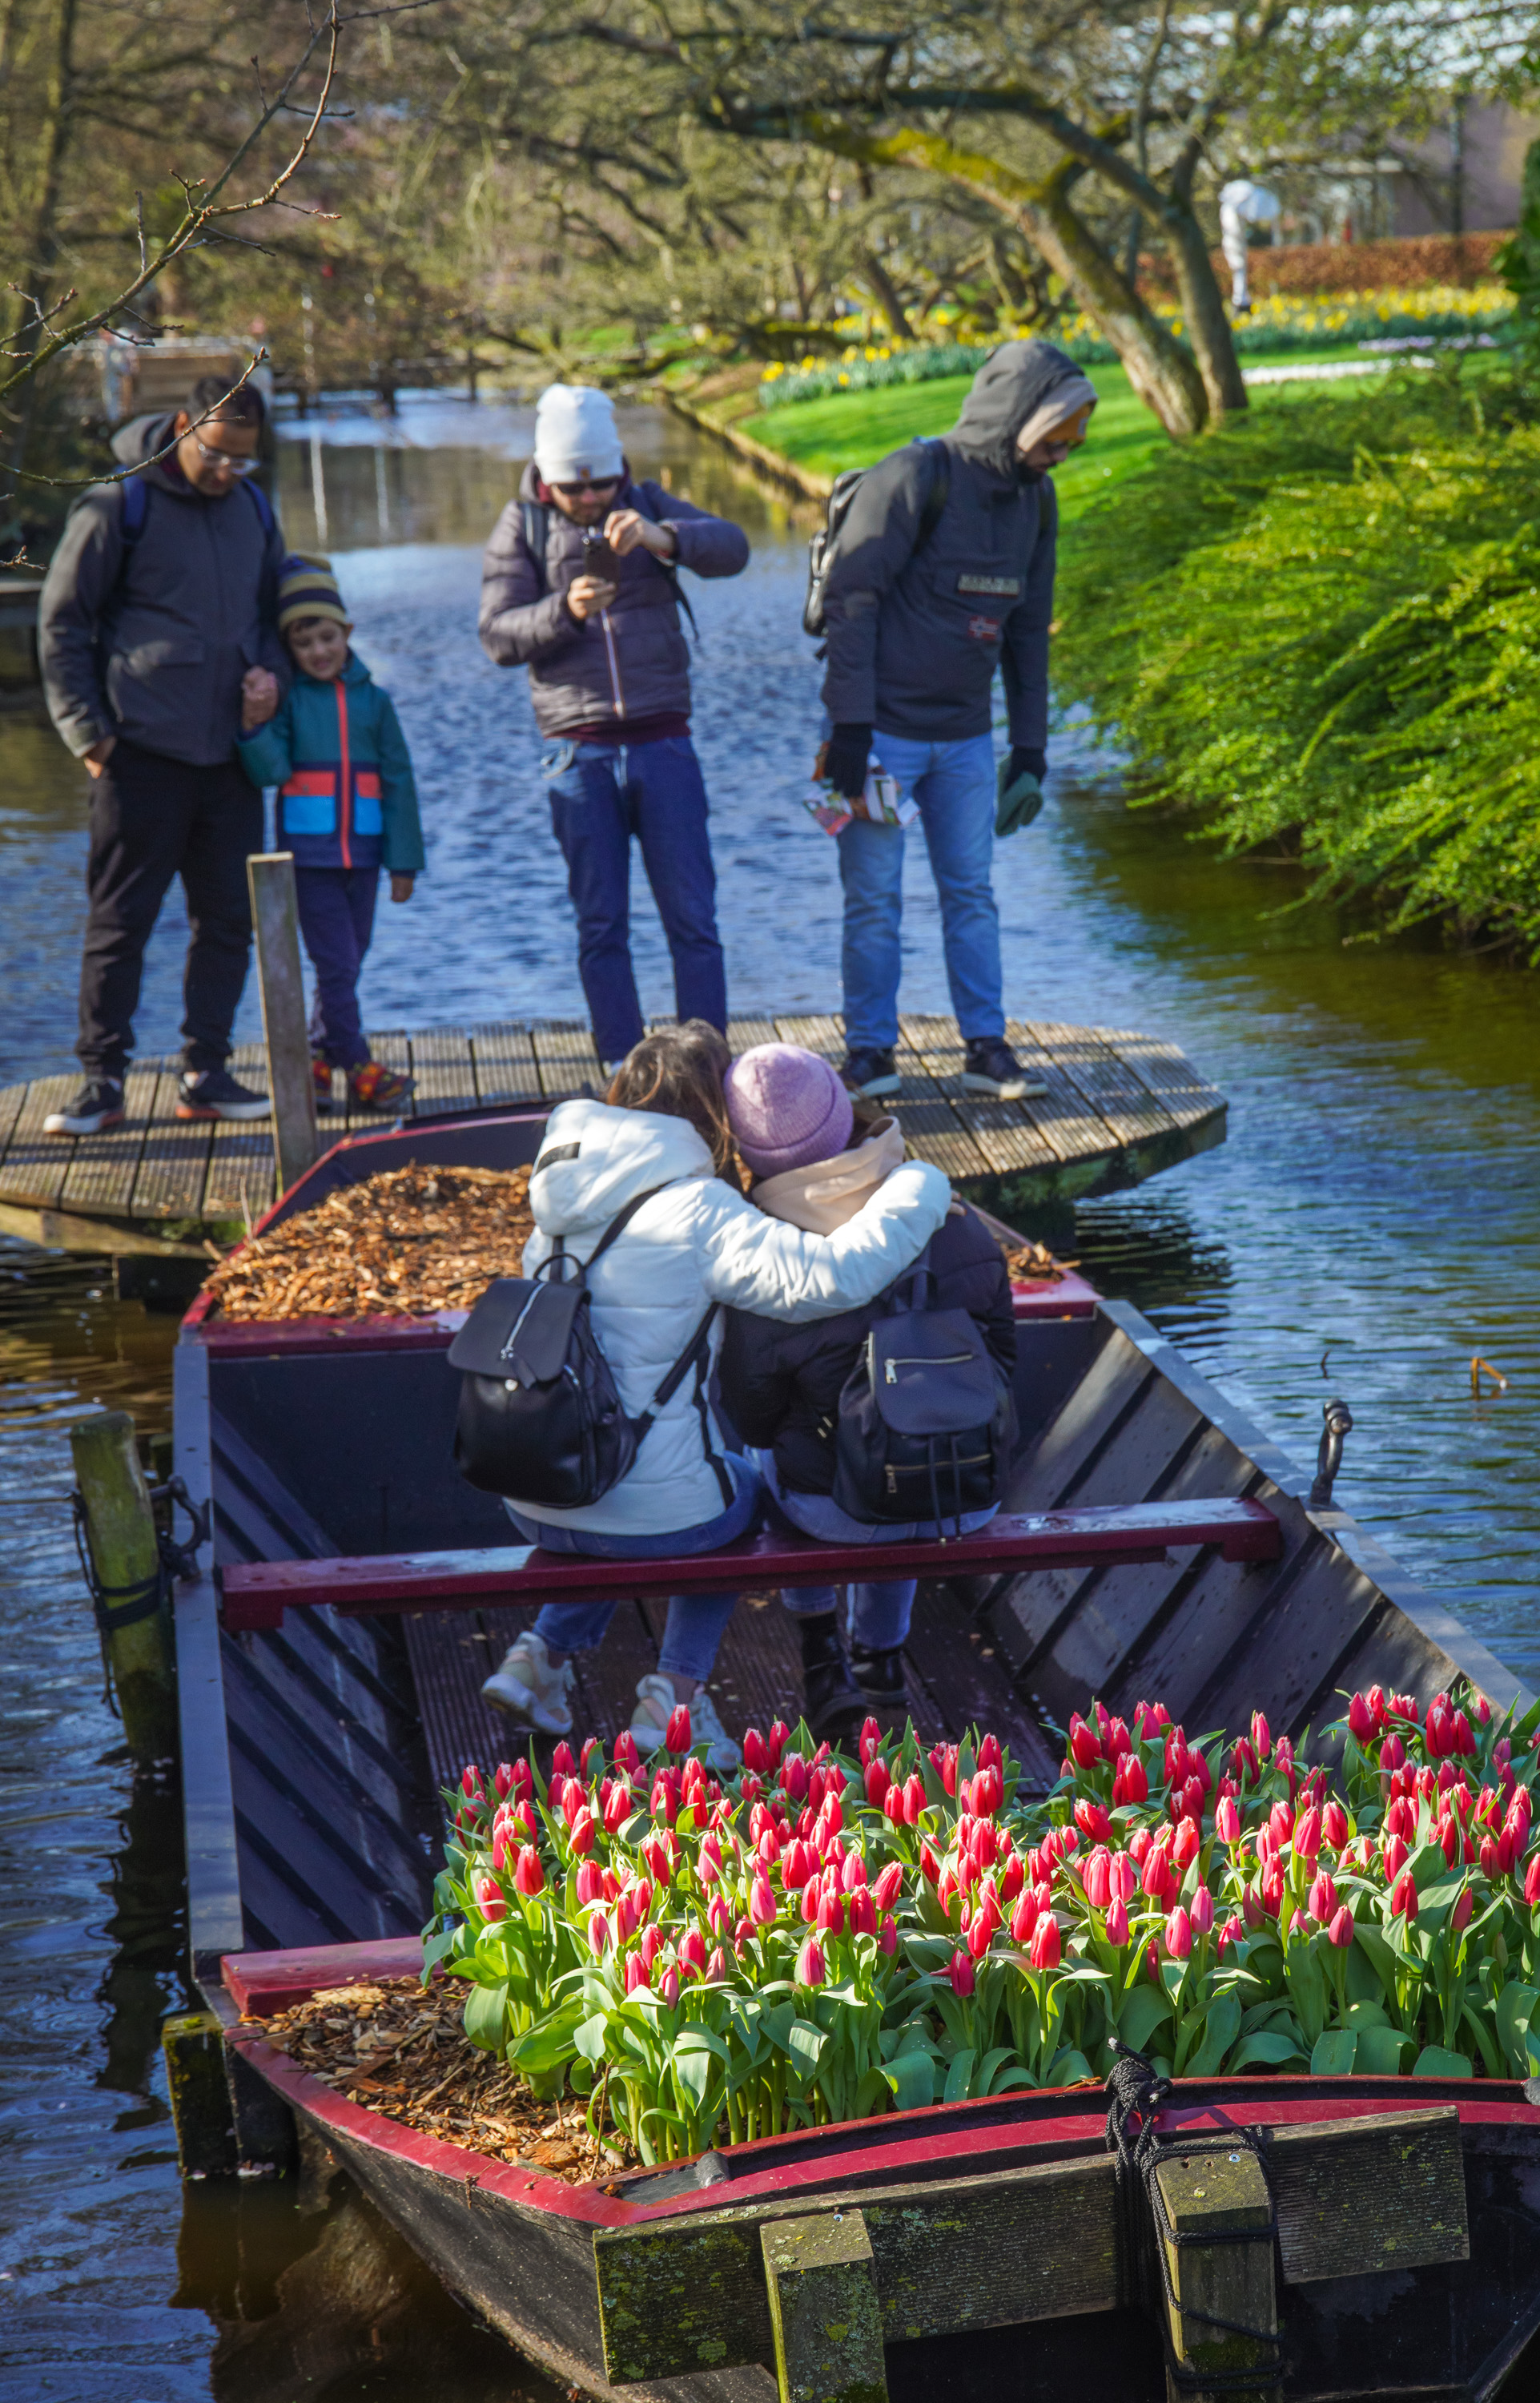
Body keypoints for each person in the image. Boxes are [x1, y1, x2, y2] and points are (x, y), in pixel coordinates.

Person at [479, 1023, 951, 1771]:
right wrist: (917, 1188)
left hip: (539, 1495)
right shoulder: (698, 1209)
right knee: (741, 1501)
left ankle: (539, 1655)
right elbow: (832, 1278)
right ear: (714, 1114)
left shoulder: (557, 1202)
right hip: (649, 1516)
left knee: (640, 1491)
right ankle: (674, 1696)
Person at [817, 338, 1097, 1105]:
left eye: (1073, 441)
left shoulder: (1037, 501)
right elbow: (850, 600)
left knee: (971, 893)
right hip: (881, 739)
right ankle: (870, 1054)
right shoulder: (915, 476)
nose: (1064, 455)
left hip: (968, 740)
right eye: (1055, 439)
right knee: (874, 900)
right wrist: (849, 728)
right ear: (1015, 419)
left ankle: (986, 1049)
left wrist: (1030, 747)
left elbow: (1028, 629)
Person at [716, 1045, 1015, 1733]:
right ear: (844, 1113)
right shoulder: (956, 1218)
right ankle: (880, 1657)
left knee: (775, 1456)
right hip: (965, 1495)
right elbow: (1003, 1363)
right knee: (916, 1427)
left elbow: (754, 1418)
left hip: (834, 1513)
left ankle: (821, 1648)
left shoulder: (767, 1256)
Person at [38, 373, 290, 1135]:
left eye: (243, 460)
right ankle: (102, 1081)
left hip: (230, 760)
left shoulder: (253, 508)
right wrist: (89, 735)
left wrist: (269, 677)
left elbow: (274, 614)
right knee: (121, 924)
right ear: (185, 426)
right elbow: (61, 623)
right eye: (216, 454)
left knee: (228, 923)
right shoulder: (118, 504)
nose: (227, 472)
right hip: (137, 754)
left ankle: (206, 1073)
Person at [478, 384, 750, 1075]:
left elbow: (735, 549)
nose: (591, 497)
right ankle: (622, 1070)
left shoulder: (648, 503)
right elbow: (497, 635)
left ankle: (706, 1067)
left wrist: (665, 539)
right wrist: (564, 611)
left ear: (619, 469)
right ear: (547, 478)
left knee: (694, 919)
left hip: (665, 743)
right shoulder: (522, 525)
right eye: (574, 487)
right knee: (602, 925)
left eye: (602, 482)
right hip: (579, 752)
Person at [236, 555, 423, 1113]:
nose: (319, 652)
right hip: (309, 860)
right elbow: (270, 772)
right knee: (337, 964)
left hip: (364, 858)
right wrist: (254, 727)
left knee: (350, 960)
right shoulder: (290, 701)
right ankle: (358, 1065)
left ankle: (317, 1060)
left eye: (327, 638)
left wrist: (403, 864)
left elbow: (399, 783)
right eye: (304, 643)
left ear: (347, 633)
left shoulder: (376, 703)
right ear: (289, 649)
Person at [1218, 178, 1281, 313]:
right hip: (1234, 243)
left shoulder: (1239, 206)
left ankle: (1241, 300)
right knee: (1238, 267)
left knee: (1240, 269)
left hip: (1237, 243)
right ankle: (1240, 301)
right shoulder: (1230, 211)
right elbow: (1234, 230)